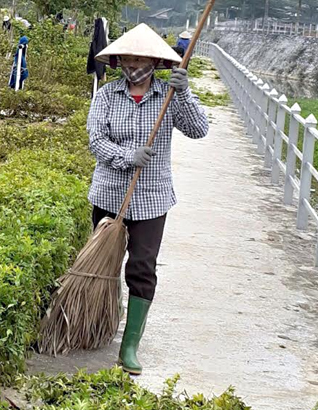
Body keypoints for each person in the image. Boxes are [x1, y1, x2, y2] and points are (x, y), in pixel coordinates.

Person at [88, 23, 208, 375]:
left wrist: (184, 94)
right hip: (109, 192)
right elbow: (96, 140)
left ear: (156, 62)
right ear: (119, 60)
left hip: (152, 197)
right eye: (129, 57)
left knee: (142, 266)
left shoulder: (167, 95)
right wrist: (127, 157)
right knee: (103, 265)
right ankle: (98, 322)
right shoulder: (107, 95)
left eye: (142, 58)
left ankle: (130, 346)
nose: (134, 63)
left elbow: (198, 129)